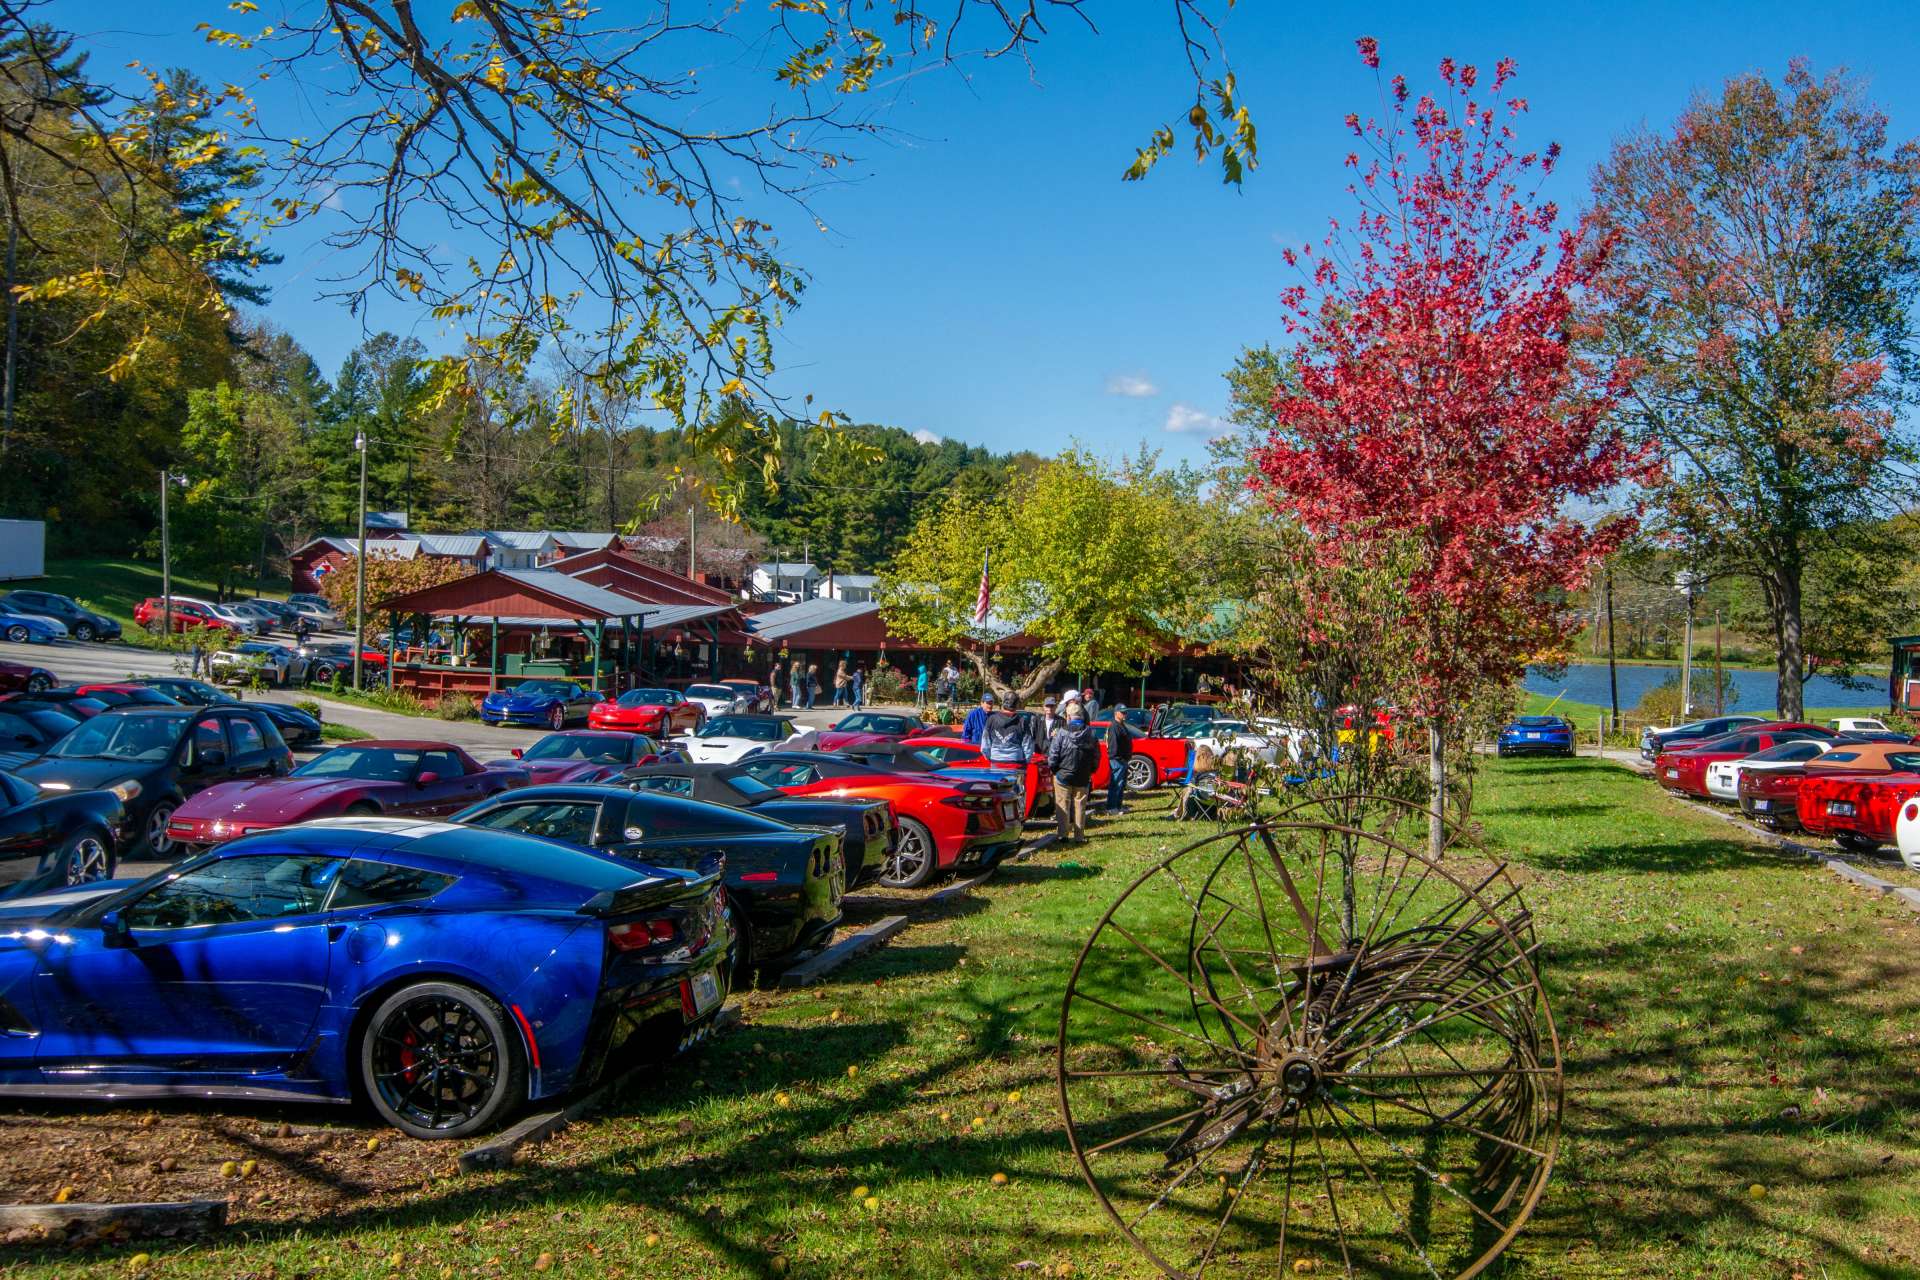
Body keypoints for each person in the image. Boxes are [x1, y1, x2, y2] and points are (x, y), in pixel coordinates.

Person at [1046, 705, 1099, 843]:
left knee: (1062, 805)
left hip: (1063, 774)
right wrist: (1091, 771)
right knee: (1080, 806)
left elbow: (1053, 754)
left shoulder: (1062, 733)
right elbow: (1096, 756)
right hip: (1082, 776)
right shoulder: (1091, 733)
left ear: (1068, 716)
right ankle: (1079, 836)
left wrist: (1054, 770)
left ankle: (1063, 835)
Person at [1104, 704, 1138, 815]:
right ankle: (1111, 807)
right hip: (1117, 760)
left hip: (1123, 760)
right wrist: (1118, 759)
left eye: (1125, 712)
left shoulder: (1122, 725)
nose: (1125, 714)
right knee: (1116, 784)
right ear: (1116, 713)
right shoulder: (1114, 726)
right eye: (1122, 712)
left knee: (1121, 784)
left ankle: (1118, 806)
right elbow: (1113, 745)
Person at [983, 695, 1032, 766]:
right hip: (1016, 762)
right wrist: (1025, 762)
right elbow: (1028, 746)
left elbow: (985, 745)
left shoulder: (992, 719)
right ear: (1016, 705)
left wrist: (990, 758)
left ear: (1003, 703)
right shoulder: (1022, 721)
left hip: (995, 761)